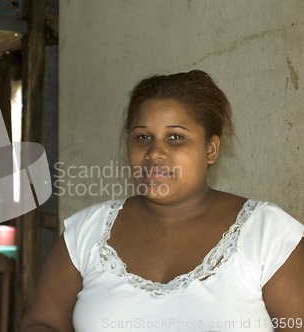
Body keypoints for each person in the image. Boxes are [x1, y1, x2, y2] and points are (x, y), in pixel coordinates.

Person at [20, 70, 304, 331]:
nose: (155, 153)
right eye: (142, 137)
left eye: (176, 137)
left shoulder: (267, 233)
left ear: (211, 149)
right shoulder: (86, 232)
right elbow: (43, 322)